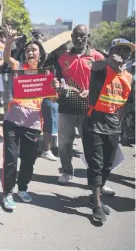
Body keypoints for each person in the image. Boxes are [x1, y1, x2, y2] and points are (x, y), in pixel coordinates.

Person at [80, 39, 135, 223]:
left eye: (126, 51)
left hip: (113, 124)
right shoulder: (102, 69)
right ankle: (96, 205)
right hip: (94, 120)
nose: (123, 53)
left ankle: (94, 197)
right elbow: (95, 65)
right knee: (96, 164)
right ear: (111, 51)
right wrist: (109, 60)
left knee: (108, 164)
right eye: (118, 49)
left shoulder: (128, 77)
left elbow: (124, 104)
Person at [1, 25, 51, 210]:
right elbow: (6, 58)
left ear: (40, 55)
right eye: (28, 49)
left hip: (33, 122)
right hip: (13, 120)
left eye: (34, 50)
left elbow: (54, 97)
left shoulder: (46, 73)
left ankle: (22, 188)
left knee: (29, 159)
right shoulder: (18, 67)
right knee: (11, 159)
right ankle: (7, 193)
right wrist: (9, 42)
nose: (30, 51)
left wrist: (59, 89)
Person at [54, 25, 105, 187]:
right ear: (71, 36)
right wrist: (56, 84)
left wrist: (90, 91)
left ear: (88, 36)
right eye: (76, 35)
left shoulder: (97, 57)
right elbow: (57, 78)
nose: (79, 38)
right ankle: (67, 171)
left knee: (92, 145)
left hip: (90, 109)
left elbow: (105, 82)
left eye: (82, 35)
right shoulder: (63, 58)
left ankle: (97, 180)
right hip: (66, 107)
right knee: (64, 143)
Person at [40, 43, 68, 161]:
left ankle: (53, 147)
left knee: (55, 123)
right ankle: (46, 149)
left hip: (58, 96)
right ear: (57, 50)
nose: (66, 51)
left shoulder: (62, 62)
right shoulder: (52, 64)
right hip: (50, 96)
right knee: (50, 123)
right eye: (63, 49)